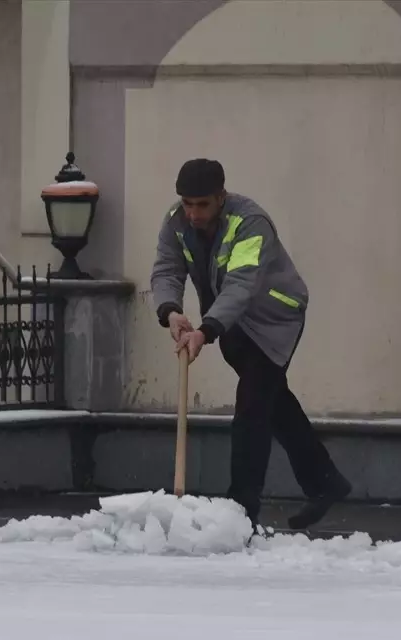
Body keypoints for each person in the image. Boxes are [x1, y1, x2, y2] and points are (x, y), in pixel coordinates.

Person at [150, 157, 352, 532]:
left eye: (202, 205)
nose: (193, 213)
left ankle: (241, 510)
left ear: (221, 197)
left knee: (252, 407)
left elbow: (241, 284)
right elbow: (166, 269)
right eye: (187, 203)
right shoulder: (176, 221)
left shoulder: (250, 223)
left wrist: (206, 331)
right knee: (274, 404)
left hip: (273, 320)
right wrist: (170, 312)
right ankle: (326, 482)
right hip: (231, 324)